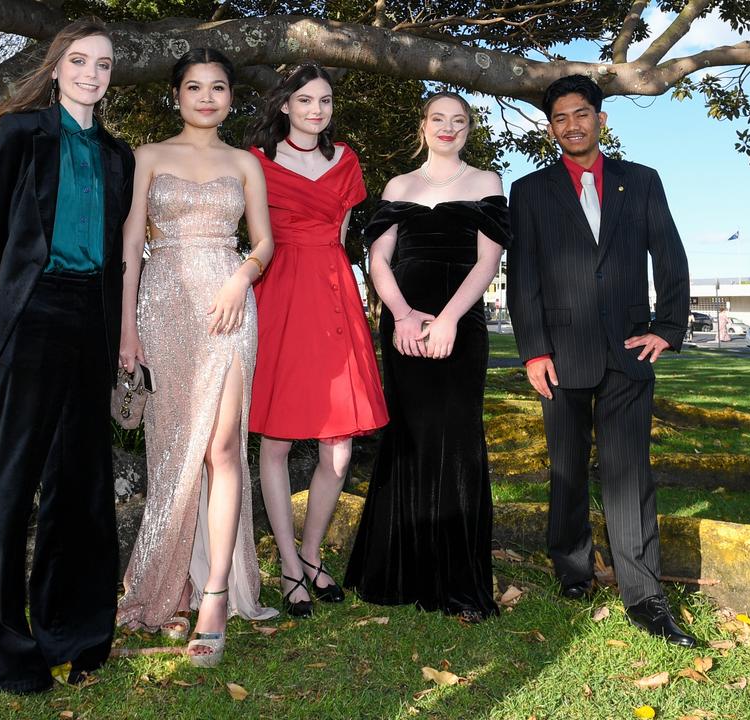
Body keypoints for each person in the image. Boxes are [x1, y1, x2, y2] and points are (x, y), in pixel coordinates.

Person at [0, 19, 133, 693]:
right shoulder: (21, 135)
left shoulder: (118, 155)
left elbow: (121, 257)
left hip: (91, 320)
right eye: (81, 61)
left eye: (104, 65)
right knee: (11, 488)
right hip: (31, 320)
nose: (93, 73)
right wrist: (2, 321)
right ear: (58, 66)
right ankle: (10, 649)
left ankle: (78, 630)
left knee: (82, 485)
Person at [506, 74, 698, 647]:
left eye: (582, 114)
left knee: (629, 475)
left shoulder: (640, 182)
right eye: (561, 117)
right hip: (560, 356)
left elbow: (669, 253)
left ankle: (644, 595)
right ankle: (572, 569)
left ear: (601, 119)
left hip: (628, 350)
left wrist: (667, 328)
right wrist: (534, 350)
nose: (572, 125)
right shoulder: (530, 191)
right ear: (550, 128)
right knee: (566, 469)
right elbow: (524, 281)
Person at [115, 47, 278, 667]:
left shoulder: (245, 163)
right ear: (176, 95)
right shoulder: (148, 156)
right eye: (193, 87)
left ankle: (214, 597)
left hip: (230, 307)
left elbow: (264, 241)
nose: (206, 97)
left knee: (224, 446)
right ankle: (165, 581)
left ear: (231, 97)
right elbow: (133, 243)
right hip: (164, 306)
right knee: (174, 446)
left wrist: (242, 277)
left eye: (217, 88)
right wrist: (128, 330)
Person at [344, 92, 506, 622]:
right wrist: (405, 315)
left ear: (467, 130)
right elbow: (378, 259)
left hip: (462, 324)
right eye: (439, 119)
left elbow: (486, 264)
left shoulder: (487, 183)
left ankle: (459, 585)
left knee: (457, 439)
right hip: (405, 328)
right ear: (424, 125)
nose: (448, 128)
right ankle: (400, 571)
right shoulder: (399, 187)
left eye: (459, 121)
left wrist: (451, 318)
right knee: (410, 438)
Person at [242, 65, 388, 618]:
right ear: (284, 105)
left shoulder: (346, 161)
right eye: (305, 100)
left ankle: (311, 553)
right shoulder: (255, 163)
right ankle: (285, 563)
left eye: (325, 100)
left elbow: (346, 235)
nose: (317, 109)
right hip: (279, 294)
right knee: (275, 442)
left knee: (340, 446)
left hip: (333, 296)